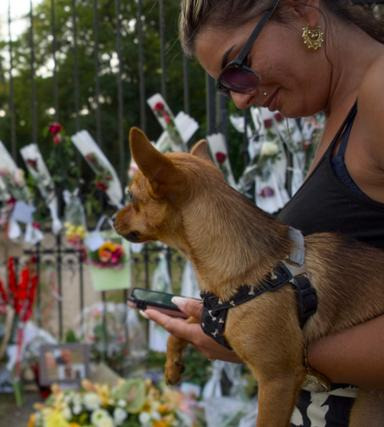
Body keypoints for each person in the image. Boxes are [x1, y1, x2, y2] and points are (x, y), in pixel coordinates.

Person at [145, 0, 384, 425]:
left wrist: (264, 344)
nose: (239, 98)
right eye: (226, 87)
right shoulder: (342, 112)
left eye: (237, 67)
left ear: (301, 12)